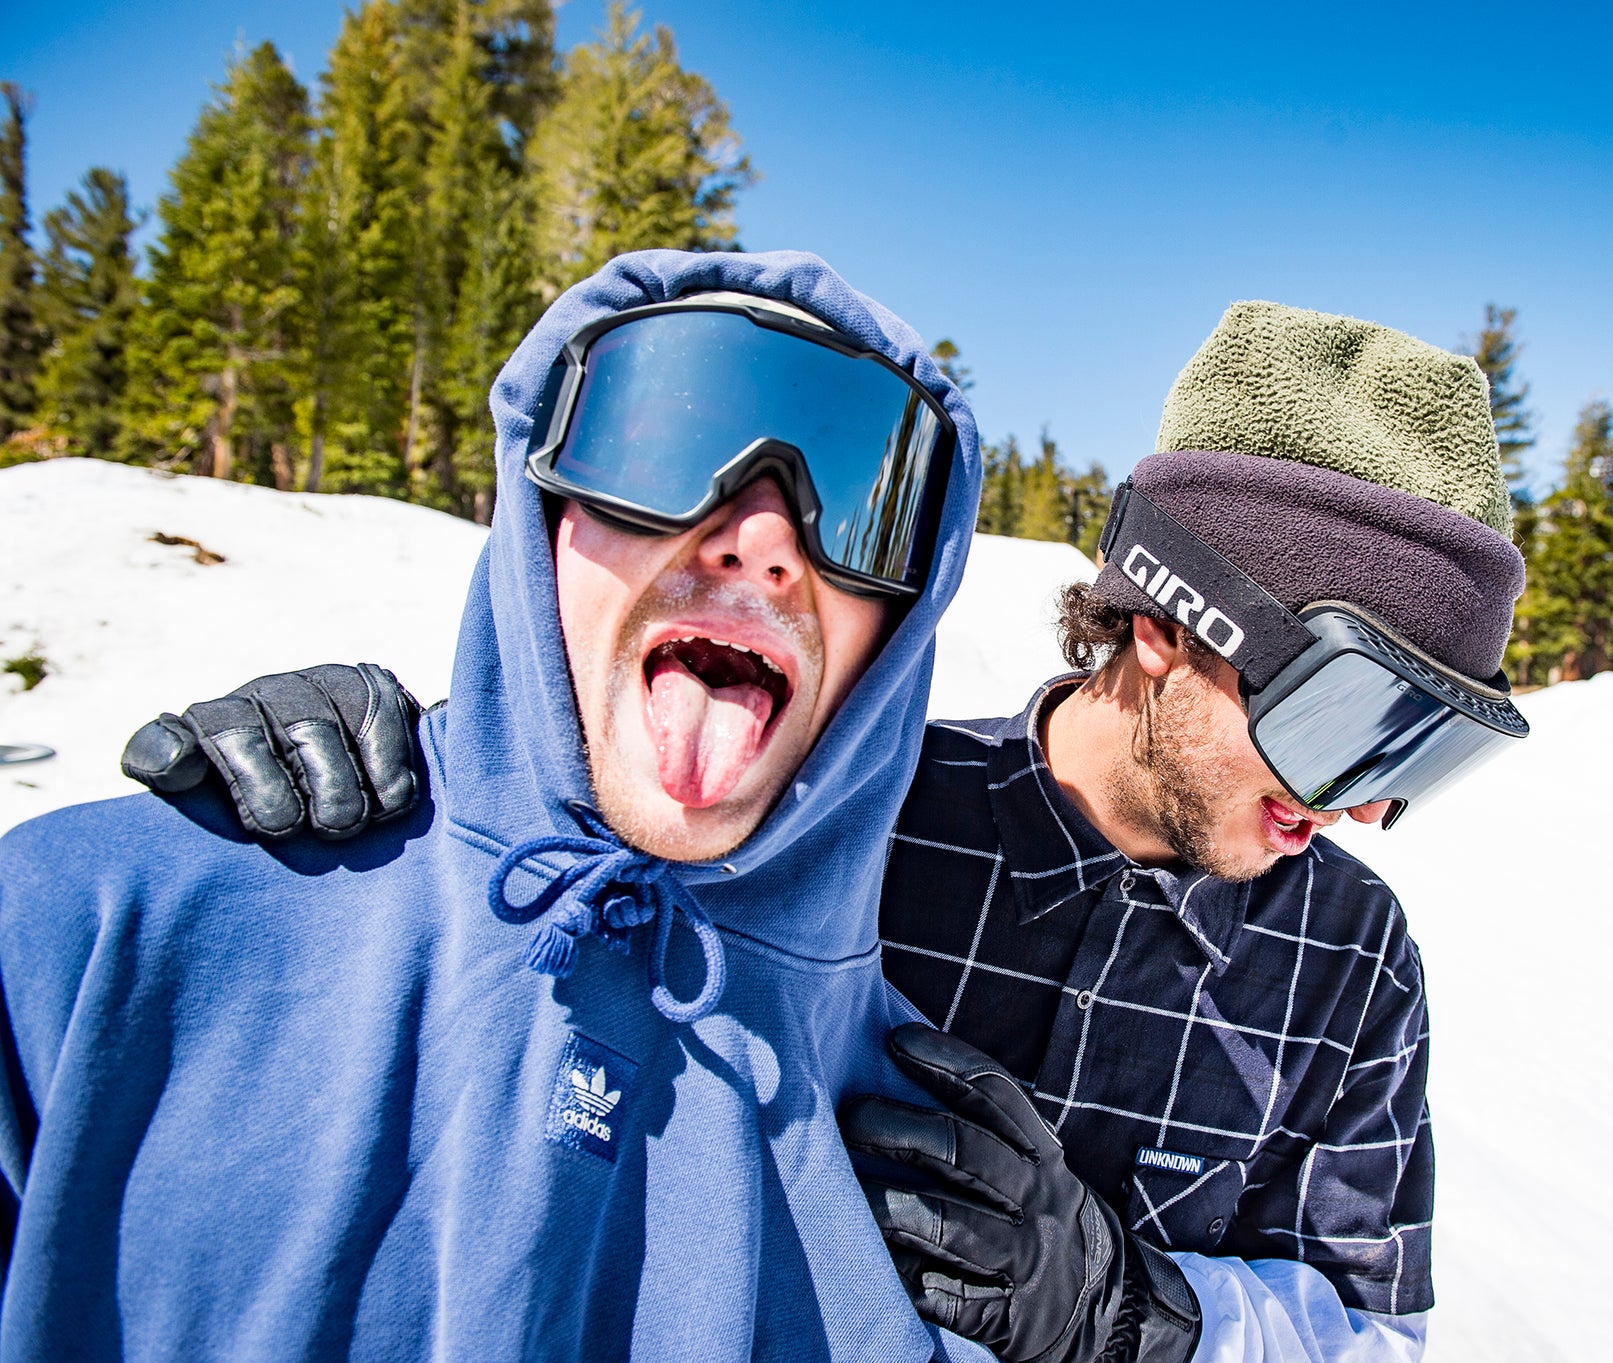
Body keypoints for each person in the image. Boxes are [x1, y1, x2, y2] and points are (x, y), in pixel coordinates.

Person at [132, 302, 1530, 1362]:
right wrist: (405, 784)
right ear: (1168, 618)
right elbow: (562, 854)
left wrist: (1125, 1309)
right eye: (1354, 720)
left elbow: (1367, 1329)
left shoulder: (1351, 960)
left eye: (1430, 752)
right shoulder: (845, 812)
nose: (1365, 808)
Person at [0, 248, 1227, 1361]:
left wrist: (1119, 1322)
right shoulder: (100, 930)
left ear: (899, 625)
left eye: (861, 501)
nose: (757, 537)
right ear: (541, 503)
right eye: (653, 452)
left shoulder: (935, 1183)